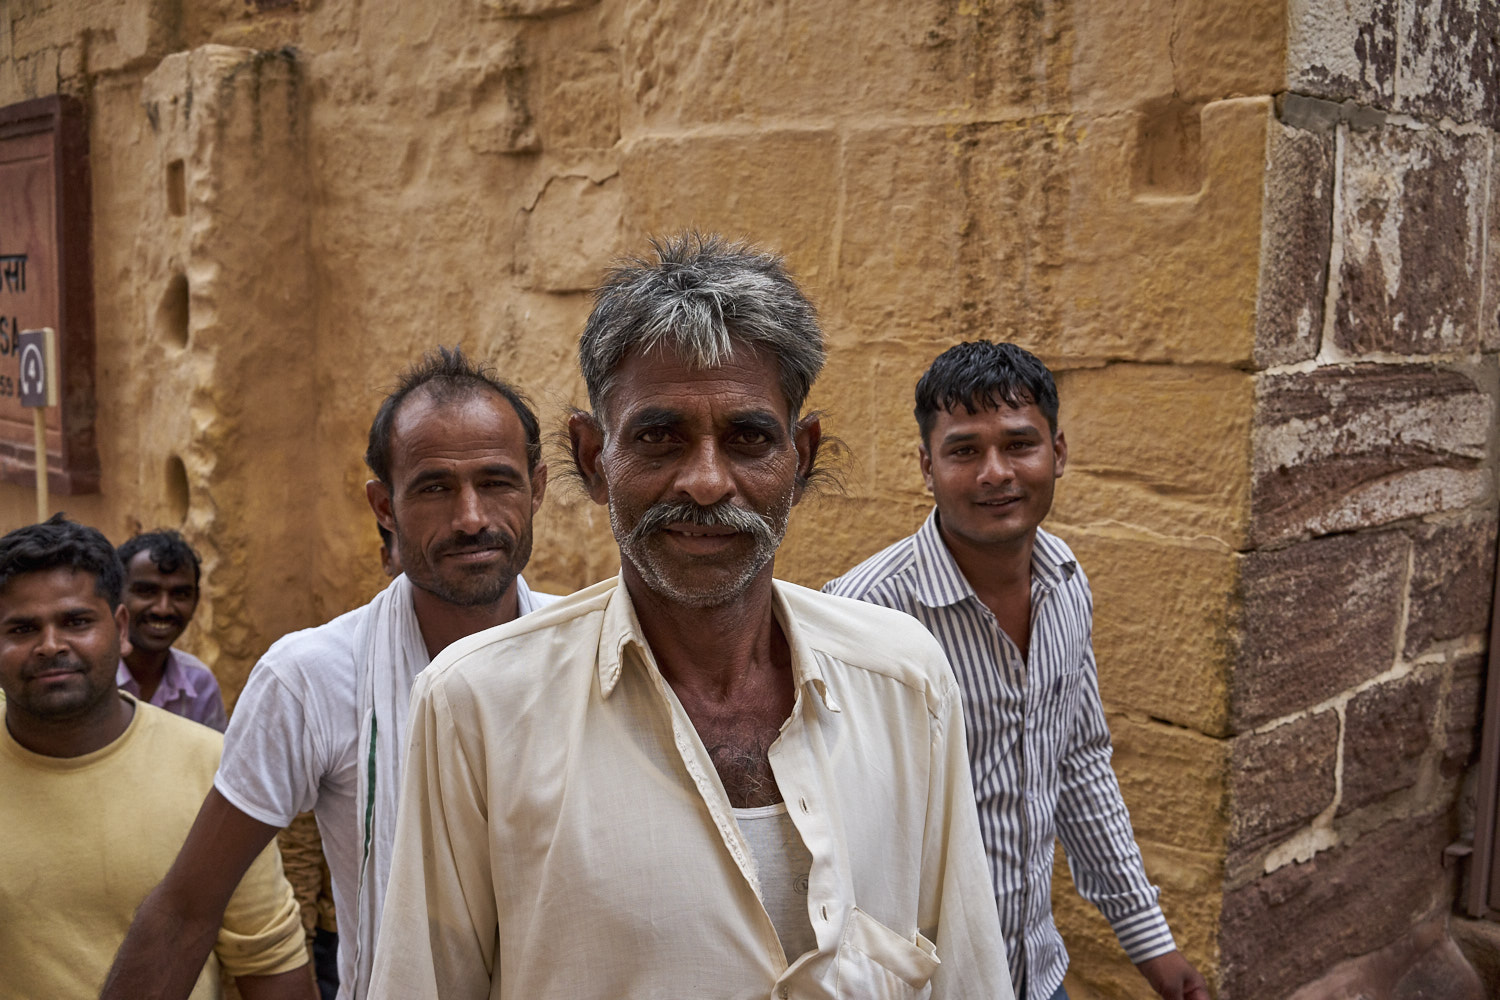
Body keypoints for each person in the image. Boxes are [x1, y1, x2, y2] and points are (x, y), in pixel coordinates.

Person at [368, 233, 1014, 1000]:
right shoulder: (478, 707)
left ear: (800, 457)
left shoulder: (904, 681)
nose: (707, 481)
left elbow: (966, 974)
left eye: (747, 438)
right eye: (659, 436)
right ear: (592, 457)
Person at [102, 347, 553, 1000]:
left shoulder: (592, 658)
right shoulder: (311, 677)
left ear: (536, 488)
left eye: (497, 482)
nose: (471, 517)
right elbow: (185, 911)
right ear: (384, 506)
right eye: (434, 487)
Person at [824, 341, 1209, 1000]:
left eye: (1019, 445)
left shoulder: (1065, 583)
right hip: (923, 986)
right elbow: (821, 830)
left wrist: (1154, 949)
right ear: (927, 466)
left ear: (1058, 453)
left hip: (1037, 972)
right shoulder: (863, 615)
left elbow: (1080, 765)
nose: (995, 473)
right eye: (965, 450)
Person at [0, 515, 312, 1000]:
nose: (51, 645)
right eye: (22, 628)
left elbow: (269, 965)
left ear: (120, 627)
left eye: (76, 621)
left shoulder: (212, 767)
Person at [114, 530, 227, 731]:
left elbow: (215, 760)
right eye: (147, 591)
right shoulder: (90, 676)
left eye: (180, 594)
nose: (163, 609)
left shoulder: (199, 684)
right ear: (115, 596)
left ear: (195, 602)